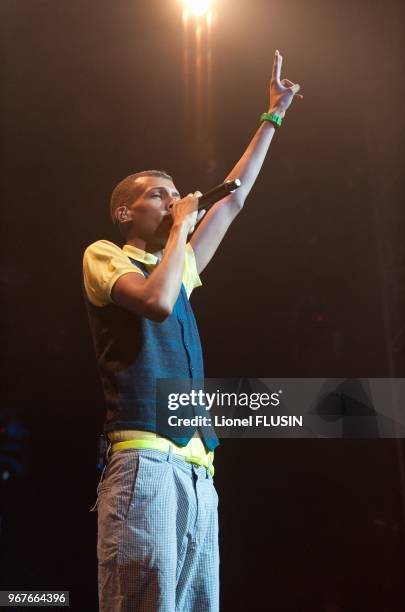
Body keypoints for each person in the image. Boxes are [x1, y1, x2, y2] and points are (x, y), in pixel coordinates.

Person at [83, 50, 301, 612]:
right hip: (145, 463)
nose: (173, 199)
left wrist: (272, 116)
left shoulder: (178, 268)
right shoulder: (107, 256)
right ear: (126, 213)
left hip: (198, 470)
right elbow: (155, 304)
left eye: (175, 192)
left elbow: (233, 200)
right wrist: (182, 226)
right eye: (158, 193)